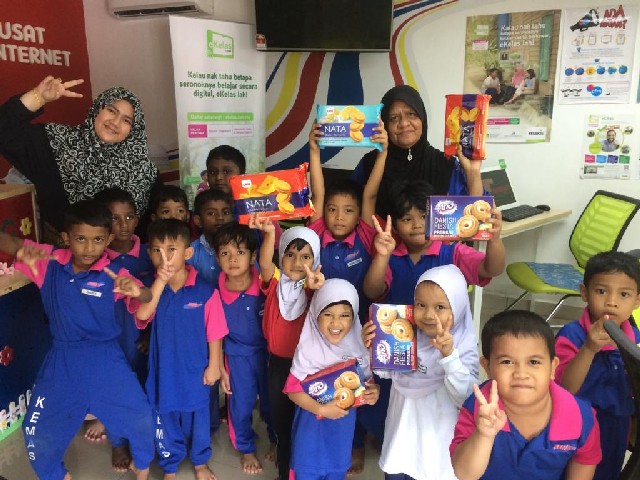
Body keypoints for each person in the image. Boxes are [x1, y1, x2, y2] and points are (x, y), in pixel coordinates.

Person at [0, 199, 156, 480]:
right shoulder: (49, 262)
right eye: (80, 239)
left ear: (108, 240)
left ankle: (142, 467)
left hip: (106, 359)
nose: (89, 248)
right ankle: (56, 475)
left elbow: (146, 296)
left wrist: (137, 291)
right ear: (66, 237)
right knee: (36, 430)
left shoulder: (114, 274)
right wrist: (18, 246)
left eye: (98, 240)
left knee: (140, 416)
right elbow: (12, 244)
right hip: (62, 361)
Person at [308, 119, 388, 473]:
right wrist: (314, 151)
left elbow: (369, 193)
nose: (339, 217)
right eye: (333, 209)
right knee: (333, 378)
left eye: (349, 210)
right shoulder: (316, 232)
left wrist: (383, 152)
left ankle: (365, 435)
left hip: (363, 325)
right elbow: (318, 191)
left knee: (365, 378)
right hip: (324, 327)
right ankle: (343, 438)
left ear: (360, 216)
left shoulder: (367, 235)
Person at [0, 76, 161, 244]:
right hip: (61, 258)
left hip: (126, 260)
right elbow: (4, 130)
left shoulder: (144, 171)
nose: (115, 122)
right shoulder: (57, 143)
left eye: (126, 120)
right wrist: (38, 97)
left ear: (133, 129)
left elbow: (158, 226)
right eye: (111, 111)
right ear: (97, 108)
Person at [450, 310, 602, 480]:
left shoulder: (580, 416)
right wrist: (484, 435)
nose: (521, 374)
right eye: (507, 362)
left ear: (553, 367)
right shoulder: (479, 408)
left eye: (534, 362)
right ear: (487, 367)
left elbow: (584, 465)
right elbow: (464, 474)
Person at [362, 264, 478, 480]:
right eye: (421, 305)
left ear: (458, 307)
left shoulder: (463, 348)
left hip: (435, 454)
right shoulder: (406, 335)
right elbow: (387, 372)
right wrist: (374, 348)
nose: (429, 315)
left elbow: (466, 399)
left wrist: (449, 357)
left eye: (440, 307)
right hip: (401, 440)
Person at [135, 219, 225, 480]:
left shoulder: (205, 291)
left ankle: (200, 462)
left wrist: (215, 365)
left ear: (188, 253)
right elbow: (142, 314)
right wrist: (160, 281)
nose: (164, 257)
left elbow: (215, 331)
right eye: (157, 250)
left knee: (198, 415)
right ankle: (170, 465)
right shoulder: (151, 290)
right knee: (164, 415)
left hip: (195, 369)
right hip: (163, 370)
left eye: (171, 250)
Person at [555, 251, 640, 480]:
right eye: (601, 291)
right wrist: (589, 349)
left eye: (624, 294)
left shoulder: (635, 338)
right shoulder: (572, 335)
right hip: (577, 424)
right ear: (585, 292)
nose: (611, 301)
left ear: (637, 301)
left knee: (609, 472)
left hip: (617, 424)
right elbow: (565, 388)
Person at [284, 279, 381, 479]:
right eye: (328, 314)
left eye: (345, 315)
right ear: (315, 314)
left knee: (336, 472)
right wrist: (320, 409)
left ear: (354, 317)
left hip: (340, 439)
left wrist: (373, 393)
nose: (336, 323)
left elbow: (365, 387)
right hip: (309, 440)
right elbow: (292, 390)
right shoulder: (308, 351)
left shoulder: (359, 350)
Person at [250, 220, 324, 480]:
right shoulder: (274, 284)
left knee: (304, 424)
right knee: (281, 421)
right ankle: (284, 472)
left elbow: (320, 300)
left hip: (307, 368)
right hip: (279, 365)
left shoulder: (313, 289)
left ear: (315, 261)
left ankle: (302, 472)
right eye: (290, 254)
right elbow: (265, 263)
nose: (296, 262)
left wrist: (317, 287)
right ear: (281, 256)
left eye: (306, 256)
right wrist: (270, 233)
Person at [363, 179, 505, 306]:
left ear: (437, 217)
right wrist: (382, 256)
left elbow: (492, 270)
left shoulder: (454, 253)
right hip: (400, 326)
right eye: (407, 219)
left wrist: (495, 239)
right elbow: (372, 292)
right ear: (395, 227)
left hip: (441, 328)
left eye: (424, 216)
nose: (417, 225)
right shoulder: (390, 258)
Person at [351, 84, 483, 219]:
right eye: (394, 118)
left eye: (411, 114)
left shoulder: (445, 164)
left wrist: (473, 172)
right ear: (384, 124)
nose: (404, 123)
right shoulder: (370, 164)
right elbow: (349, 210)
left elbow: (474, 219)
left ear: (422, 118)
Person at [94, 187, 155, 472]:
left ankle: (144, 440)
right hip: (109, 341)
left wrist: (149, 333)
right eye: (114, 218)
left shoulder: (149, 254)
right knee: (113, 391)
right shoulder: (96, 259)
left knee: (143, 389)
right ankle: (118, 441)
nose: (123, 225)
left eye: (129, 217)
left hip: (141, 339)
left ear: (137, 218)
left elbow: (158, 298)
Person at [210, 222, 276, 475]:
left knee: (272, 402)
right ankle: (246, 448)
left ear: (252, 256)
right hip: (237, 357)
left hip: (269, 354)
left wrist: (269, 233)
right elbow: (215, 334)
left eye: (240, 252)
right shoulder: (215, 293)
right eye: (225, 253)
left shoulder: (264, 282)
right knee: (240, 404)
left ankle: (276, 439)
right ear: (217, 258)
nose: (233, 259)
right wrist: (221, 368)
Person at [187, 188, 234, 288]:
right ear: (198, 221)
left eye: (225, 212)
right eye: (211, 213)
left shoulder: (243, 248)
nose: (220, 217)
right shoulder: (191, 253)